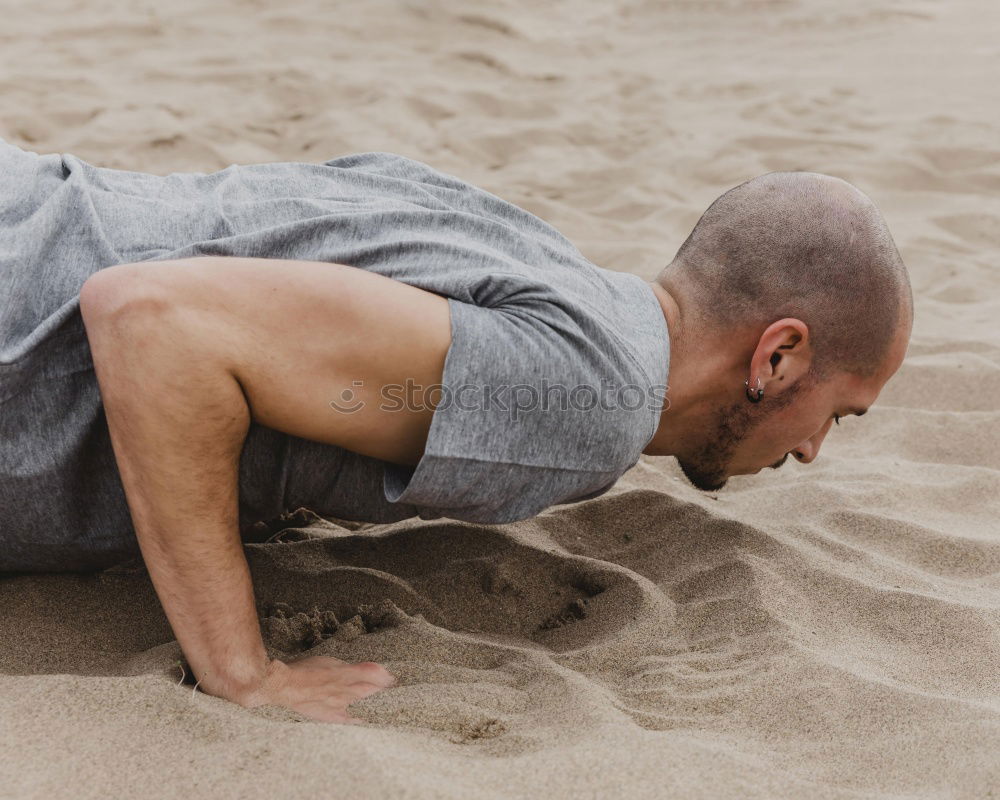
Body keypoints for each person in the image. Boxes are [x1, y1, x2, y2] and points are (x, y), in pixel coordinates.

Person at [0, 138, 912, 723]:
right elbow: (155, 323)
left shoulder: (539, 258)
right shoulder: (594, 397)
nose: (810, 451)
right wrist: (240, 669)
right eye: (837, 413)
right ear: (778, 357)